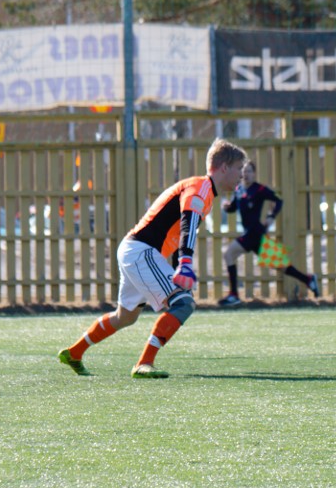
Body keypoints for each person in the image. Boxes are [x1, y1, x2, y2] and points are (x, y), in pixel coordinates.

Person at [57, 138, 247, 379]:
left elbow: (179, 232)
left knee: (125, 317)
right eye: (239, 168)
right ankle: (144, 363)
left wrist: (180, 265)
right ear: (224, 167)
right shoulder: (201, 187)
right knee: (184, 303)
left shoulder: (204, 191)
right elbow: (188, 223)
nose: (241, 175)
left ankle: (74, 352)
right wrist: (185, 264)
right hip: (141, 251)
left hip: (136, 250)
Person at [217, 160, 318, 306]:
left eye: (249, 171)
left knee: (229, 254)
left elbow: (279, 201)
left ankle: (234, 295)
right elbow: (234, 207)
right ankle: (308, 279)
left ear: (254, 173)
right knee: (280, 265)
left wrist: (271, 217)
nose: (246, 174)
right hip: (254, 235)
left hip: (255, 233)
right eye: (243, 171)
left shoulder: (259, 189)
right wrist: (227, 207)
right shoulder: (239, 189)